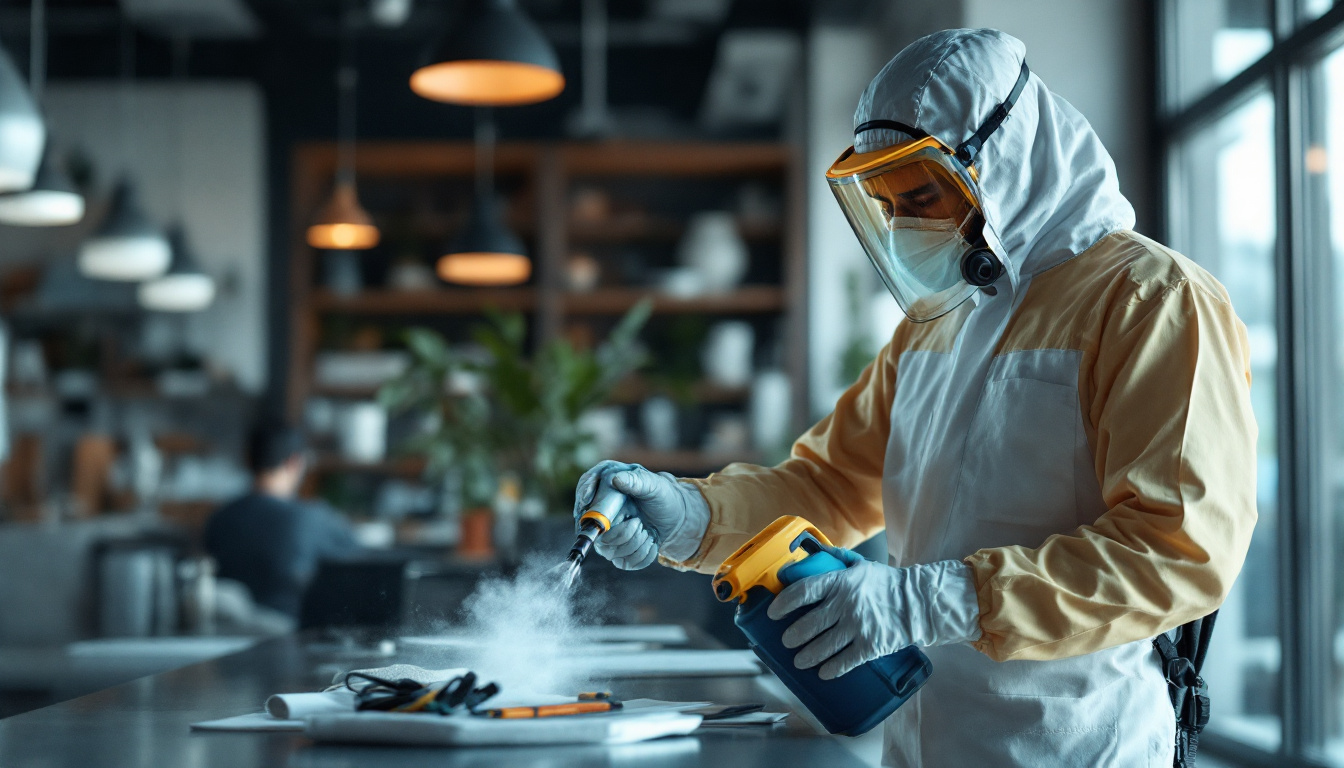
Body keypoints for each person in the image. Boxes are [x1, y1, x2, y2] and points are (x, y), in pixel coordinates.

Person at [574, 28, 1257, 767]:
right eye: (887, 202)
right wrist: (691, 517)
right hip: (922, 747)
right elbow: (828, 488)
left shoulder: (1150, 301)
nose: (906, 226)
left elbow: (1178, 551)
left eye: (922, 194)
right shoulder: (938, 323)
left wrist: (926, 601)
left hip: (1077, 750)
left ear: (1003, 154)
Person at [204, 422, 361, 618]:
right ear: (294, 462)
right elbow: (359, 565)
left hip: (223, 637)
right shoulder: (313, 519)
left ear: (247, 458)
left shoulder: (219, 518)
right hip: (288, 637)